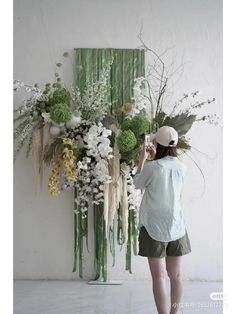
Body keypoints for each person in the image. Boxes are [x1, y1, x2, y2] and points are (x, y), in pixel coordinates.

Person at [133, 125, 191, 314]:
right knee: (177, 276)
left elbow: (137, 183)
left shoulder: (152, 167)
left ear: (157, 143)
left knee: (159, 277)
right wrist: (157, 155)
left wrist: (143, 158)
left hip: (153, 226)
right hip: (177, 225)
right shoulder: (182, 167)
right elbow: (166, 171)